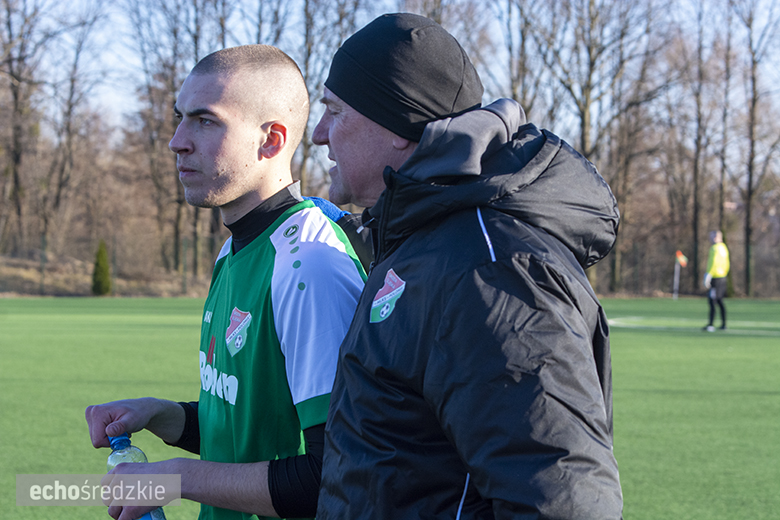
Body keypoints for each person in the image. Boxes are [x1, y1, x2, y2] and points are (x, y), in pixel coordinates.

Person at [312, 13, 623, 519]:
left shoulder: (491, 267)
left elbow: (560, 500)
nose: (320, 134)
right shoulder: (422, 243)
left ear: (395, 126)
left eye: (335, 111)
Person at [85, 45, 366, 520]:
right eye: (180, 118)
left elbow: (333, 477)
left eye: (205, 121)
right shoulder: (233, 251)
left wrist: (177, 479)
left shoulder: (309, 265)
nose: (177, 141)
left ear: (270, 141)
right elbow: (247, 434)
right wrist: (162, 414)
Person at [703, 230, 730, 331]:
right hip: (723, 277)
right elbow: (727, 264)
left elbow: (713, 263)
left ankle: (711, 324)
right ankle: (723, 324)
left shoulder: (714, 249)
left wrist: (708, 275)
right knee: (719, 300)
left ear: (716, 237)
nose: (710, 239)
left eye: (712, 236)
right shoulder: (724, 248)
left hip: (715, 277)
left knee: (712, 300)